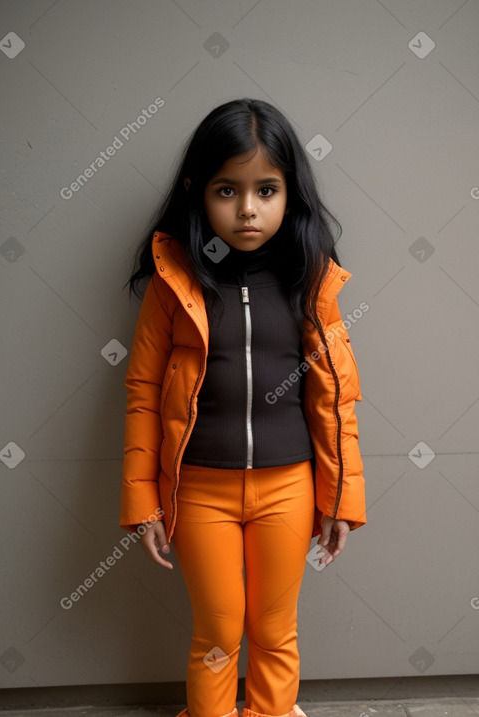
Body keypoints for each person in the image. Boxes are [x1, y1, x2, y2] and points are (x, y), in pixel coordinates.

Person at [120, 98, 367, 717]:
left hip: (290, 486)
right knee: (218, 634)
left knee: (274, 632)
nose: (248, 209)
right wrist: (141, 501)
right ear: (197, 191)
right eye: (227, 189)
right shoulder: (174, 281)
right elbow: (144, 393)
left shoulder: (313, 279)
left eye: (267, 189)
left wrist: (341, 499)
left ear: (291, 193)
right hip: (200, 491)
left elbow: (337, 397)